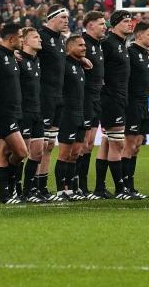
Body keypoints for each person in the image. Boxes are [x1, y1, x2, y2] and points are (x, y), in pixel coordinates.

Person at [0, 22, 29, 204]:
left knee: (5, 152)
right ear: (12, 38)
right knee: (21, 152)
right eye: (20, 37)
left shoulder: (13, 56)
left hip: (15, 111)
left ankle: (5, 193)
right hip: (3, 112)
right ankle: (9, 188)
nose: (22, 40)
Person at [98, 10, 134, 199]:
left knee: (107, 143)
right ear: (115, 24)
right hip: (112, 99)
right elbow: (98, 69)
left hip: (119, 98)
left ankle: (99, 187)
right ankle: (121, 189)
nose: (130, 23)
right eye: (126, 21)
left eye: (131, 20)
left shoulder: (121, 44)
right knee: (118, 144)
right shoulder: (108, 43)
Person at [35, 7, 69, 201]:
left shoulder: (61, 40)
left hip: (58, 97)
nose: (66, 21)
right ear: (52, 18)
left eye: (67, 18)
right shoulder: (40, 37)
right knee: (39, 145)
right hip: (44, 97)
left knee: (49, 145)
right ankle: (32, 188)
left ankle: (42, 188)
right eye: (63, 17)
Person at [53, 34, 88, 201]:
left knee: (76, 154)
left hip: (80, 113)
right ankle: (61, 191)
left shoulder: (80, 65)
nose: (84, 47)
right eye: (80, 45)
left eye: (84, 45)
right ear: (69, 47)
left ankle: (71, 188)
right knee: (64, 154)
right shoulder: (63, 64)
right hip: (67, 114)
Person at [123, 21, 149, 199]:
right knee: (129, 146)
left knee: (136, 147)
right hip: (132, 104)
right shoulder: (130, 52)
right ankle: (124, 187)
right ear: (139, 35)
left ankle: (131, 186)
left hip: (143, 105)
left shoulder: (145, 54)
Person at [79, 11, 108, 198]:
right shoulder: (81, 43)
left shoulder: (98, 45)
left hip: (97, 98)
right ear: (90, 25)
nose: (105, 27)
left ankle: (83, 186)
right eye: (101, 24)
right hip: (84, 99)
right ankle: (76, 185)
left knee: (89, 144)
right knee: (82, 144)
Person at [17, 26, 45, 203]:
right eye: (35, 37)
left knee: (38, 152)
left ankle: (29, 190)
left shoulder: (37, 60)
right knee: (21, 153)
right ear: (25, 41)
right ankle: (16, 189)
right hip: (23, 112)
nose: (40, 40)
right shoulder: (18, 59)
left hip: (37, 111)